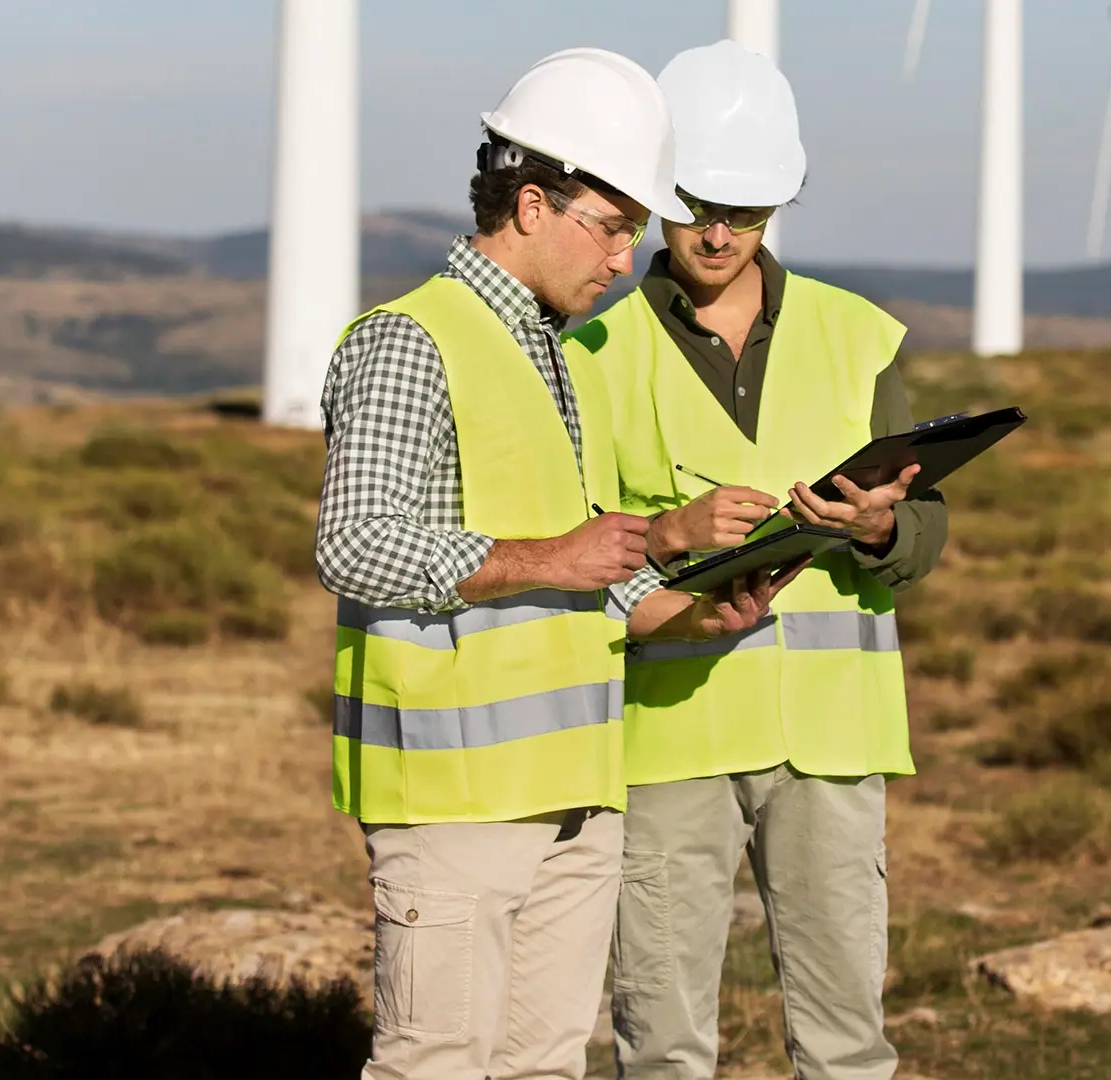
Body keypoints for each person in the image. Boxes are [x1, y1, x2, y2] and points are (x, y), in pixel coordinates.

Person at [316, 47, 795, 1080]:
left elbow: (577, 573)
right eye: (613, 224)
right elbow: (353, 543)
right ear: (531, 203)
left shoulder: (544, 351)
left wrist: (686, 613)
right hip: (456, 803)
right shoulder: (411, 341)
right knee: (433, 1063)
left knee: (543, 1067)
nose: (626, 258)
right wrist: (554, 554)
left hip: (574, 793)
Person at [564, 39, 949, 1080]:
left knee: (845, 1044)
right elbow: (573, 560)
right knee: (664, 1046)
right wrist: (674, 533)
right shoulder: (589, 357)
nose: (721, 232)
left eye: (749, 210)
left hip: (831, 739)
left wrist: (875, 528)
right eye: (697, 206)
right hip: (666, 740)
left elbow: (922, 534)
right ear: (656, 196)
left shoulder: (859, 337)